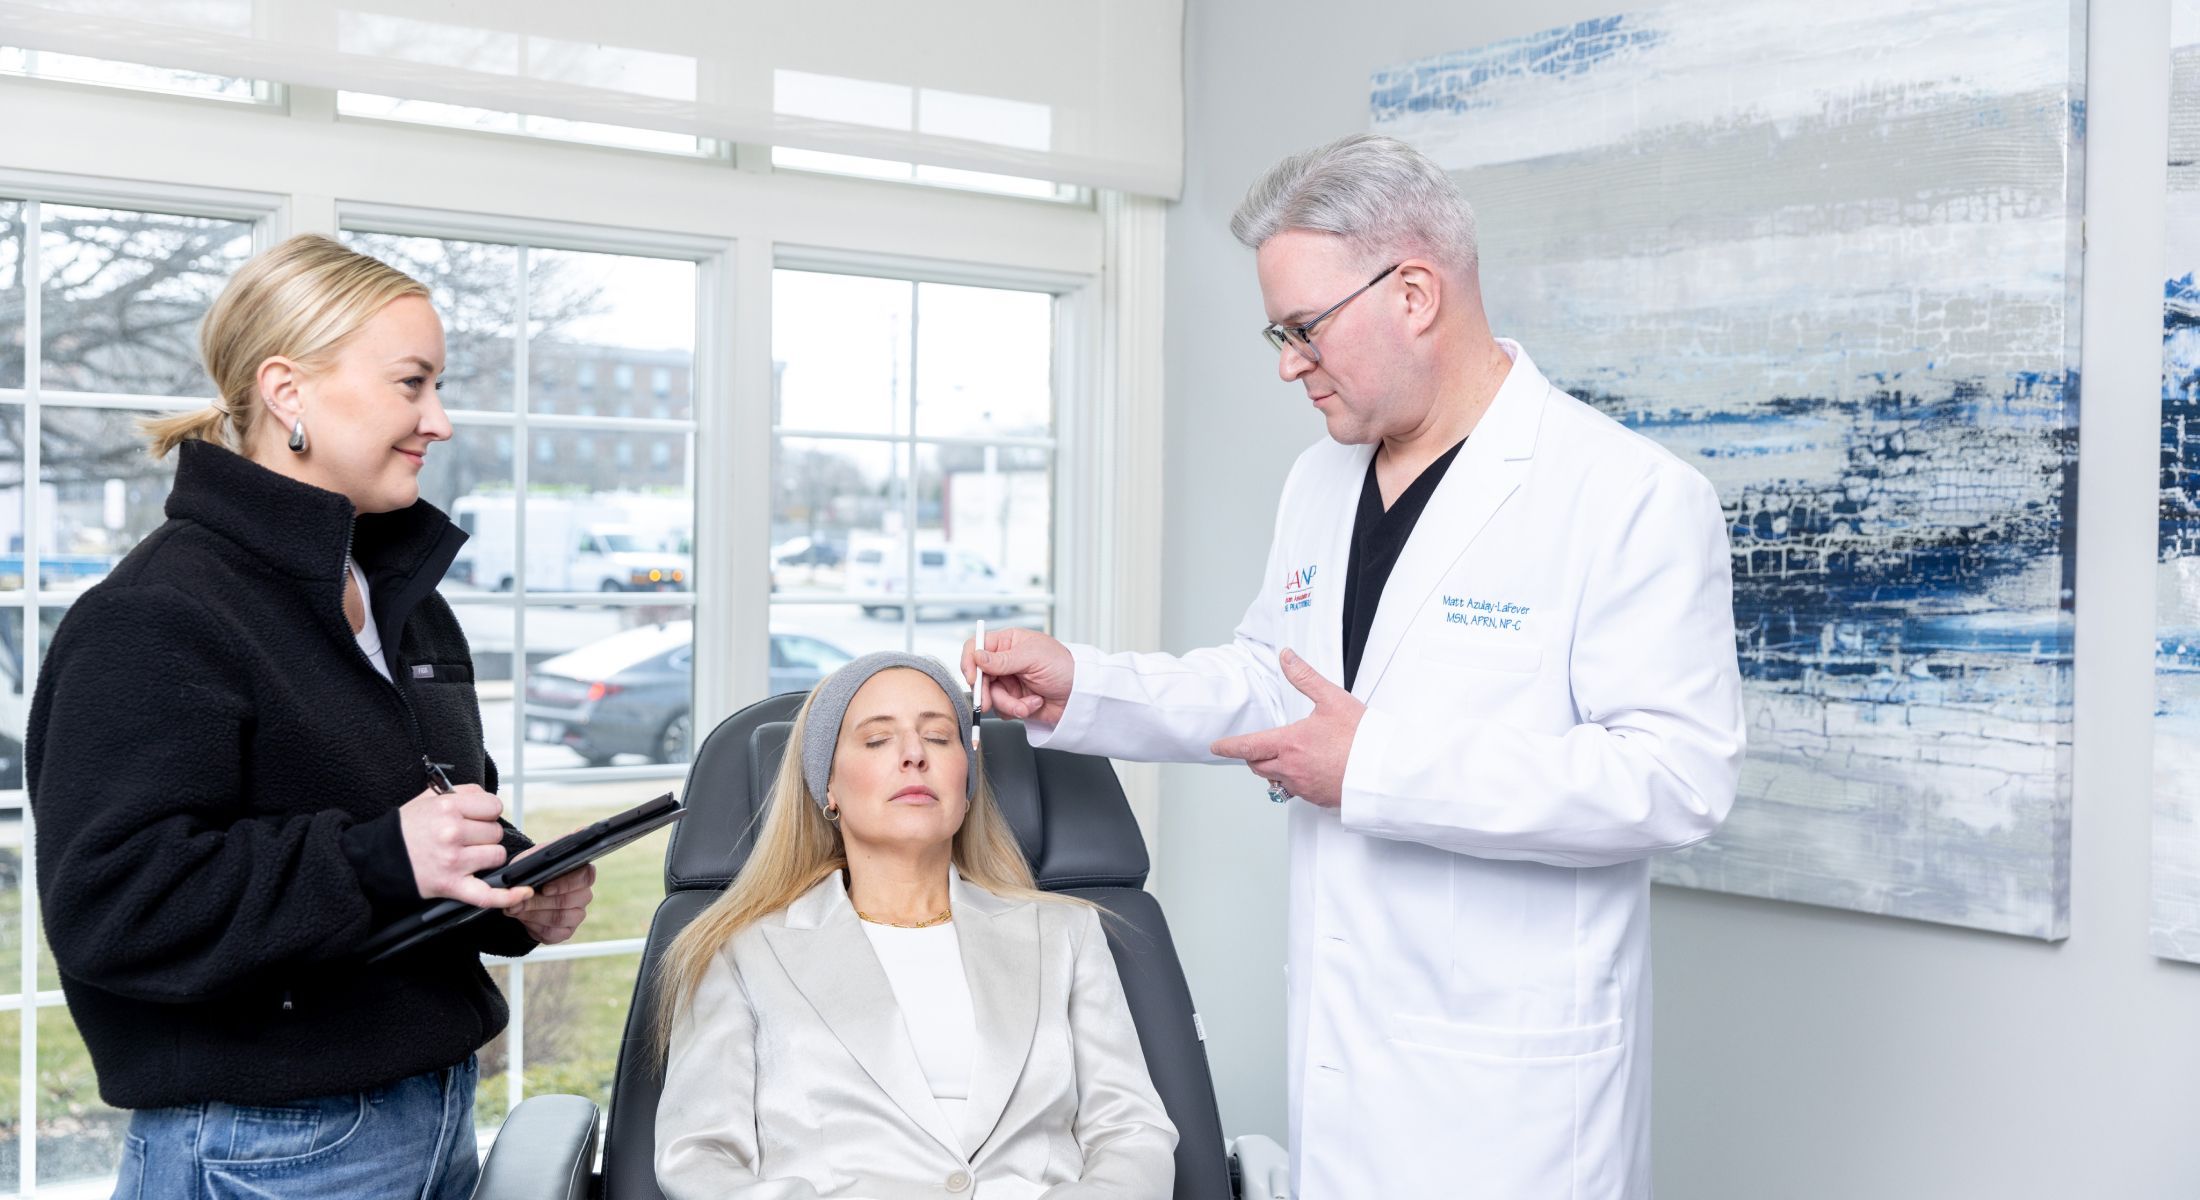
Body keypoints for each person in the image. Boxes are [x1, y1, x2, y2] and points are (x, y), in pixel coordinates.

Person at [965, 133, 1746, 1198]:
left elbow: (1674, 780)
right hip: (1343, 1065)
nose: (1288, 362)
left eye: (1303, 329)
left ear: (1414, 292)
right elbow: (1268, 682)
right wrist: (1084, 684)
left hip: (1511, 1101)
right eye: (1276, 333)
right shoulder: (1319, 482)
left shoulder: (1627, 496)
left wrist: (1375, 765)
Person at [27, 234, 596, 1200]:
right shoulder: (156, 616)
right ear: (288, 391)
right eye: (412, 384)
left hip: (430, 1110)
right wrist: (385, 856)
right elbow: (114, 906)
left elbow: (406, 827)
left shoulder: (406, 600)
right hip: (265, 1150)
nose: (441, 421)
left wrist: (506, 887)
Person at [654, 652, 1176, 1199]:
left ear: (967, 780)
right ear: (827, 785)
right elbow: (698, 1157)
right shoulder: (741, 952)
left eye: (938, 737)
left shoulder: (1067, 934)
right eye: (878, 740)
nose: (913, 756)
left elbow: (1132, 1133)